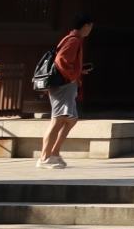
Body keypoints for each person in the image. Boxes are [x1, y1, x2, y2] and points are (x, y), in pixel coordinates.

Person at [37, 13, 92, 168]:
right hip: (64, 86)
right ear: (86, 26)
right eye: (90, 27)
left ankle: (54, 153)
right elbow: (61, 60)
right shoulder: (74, 40)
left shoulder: (72, 40)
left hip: (66, 84)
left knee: (71, 119)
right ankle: (44, 157)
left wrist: (79, 70)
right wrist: (73, 76)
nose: (90, 30)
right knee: (58, 120)